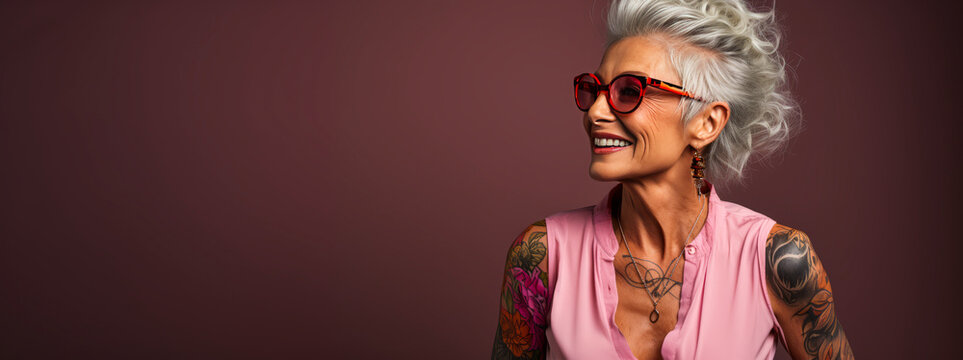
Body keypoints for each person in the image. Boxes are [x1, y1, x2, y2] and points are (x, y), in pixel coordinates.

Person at [490, 0, 854, 359]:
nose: (595, 112)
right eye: (594, 89)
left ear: (706, 123)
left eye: (629, 91)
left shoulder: (778, 260)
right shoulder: (541, 257)